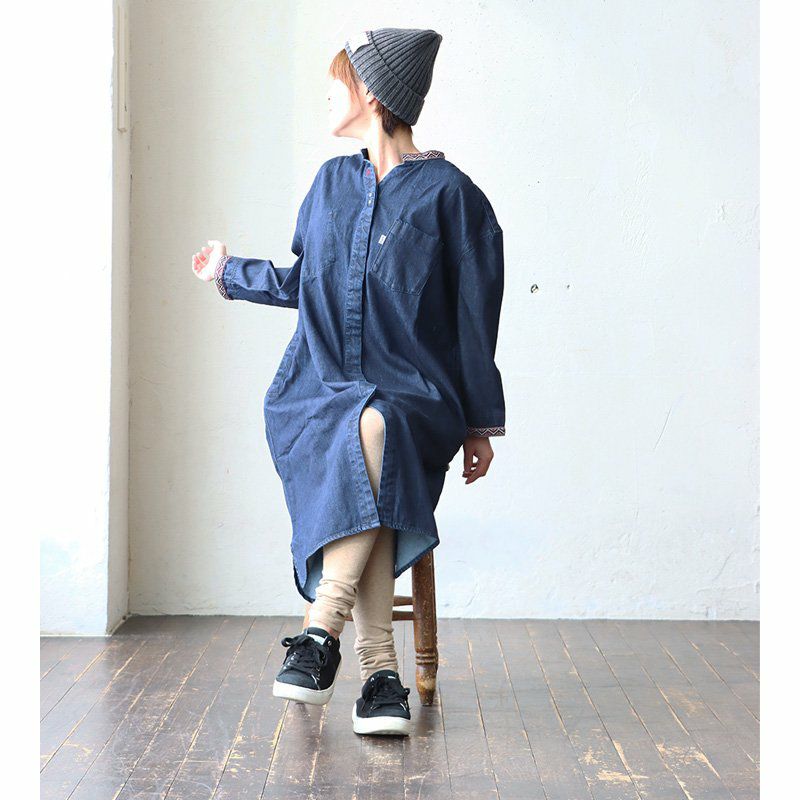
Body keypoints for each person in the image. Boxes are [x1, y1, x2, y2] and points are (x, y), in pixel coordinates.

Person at [191, 27, 505, 737]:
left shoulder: (454, 197)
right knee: (365, 430)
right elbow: (305, 285)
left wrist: (480, 423)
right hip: (319, 389)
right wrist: (228, 273)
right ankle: (380, 677)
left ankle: (322, 631)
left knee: (380, 422)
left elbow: (473, 319)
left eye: (339, 83)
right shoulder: (330, 184)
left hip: (416, 397)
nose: (328, 96)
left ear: (373, 94)